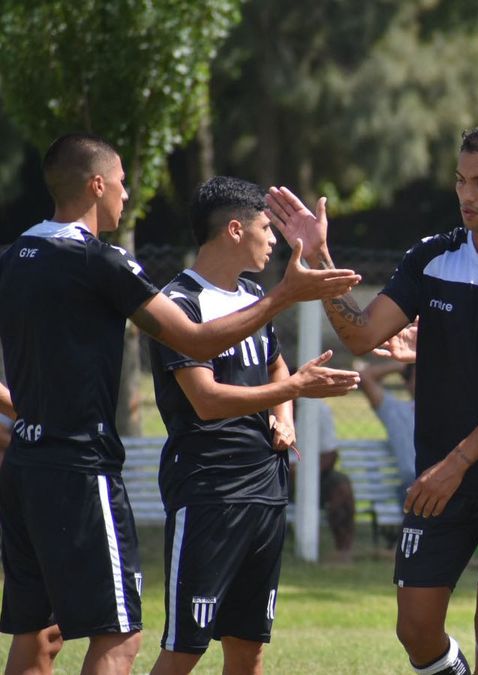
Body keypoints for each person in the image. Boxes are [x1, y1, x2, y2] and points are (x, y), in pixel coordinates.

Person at [0, 133, 358, 675]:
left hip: (25, 465)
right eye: (121, 183)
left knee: (37, 635)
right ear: (97, 184)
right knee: (119, 638)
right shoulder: (100, 261)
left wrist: (22, 412)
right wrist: (285, 299)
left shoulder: (14, 256)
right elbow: (193, 342)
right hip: (81, 467)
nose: (125, 196)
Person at [268, 123, 478, 675]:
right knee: (414, 629)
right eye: (461, 181)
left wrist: (457, 463)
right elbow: (362, 335)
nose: (467, 195)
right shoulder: (432, 257)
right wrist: (318, 256)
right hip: (440, 475)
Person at [146, 176, 360, 674]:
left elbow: (275, 366)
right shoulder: (178, 305)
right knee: (186, 647)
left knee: (248, 647)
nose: (273, 238)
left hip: (265, 489)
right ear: (236, 230)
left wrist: (284, 419)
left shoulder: (250, 294)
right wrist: (293, 393)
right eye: (266, 228)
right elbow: (207, 401)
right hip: (209, 489)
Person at [356, 360, 418, 502]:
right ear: (408, 384)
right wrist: (406, 364)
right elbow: (365, 377)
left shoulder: (450, 411)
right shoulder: (396, 411)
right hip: (414, 485)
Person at [312, 399, 359, 562]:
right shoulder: (265, 403)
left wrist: (308, 472)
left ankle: (343, 552)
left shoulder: (318, 409)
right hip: (272, 472)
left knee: (341, 486)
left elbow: (330, 454)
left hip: (313, 475)